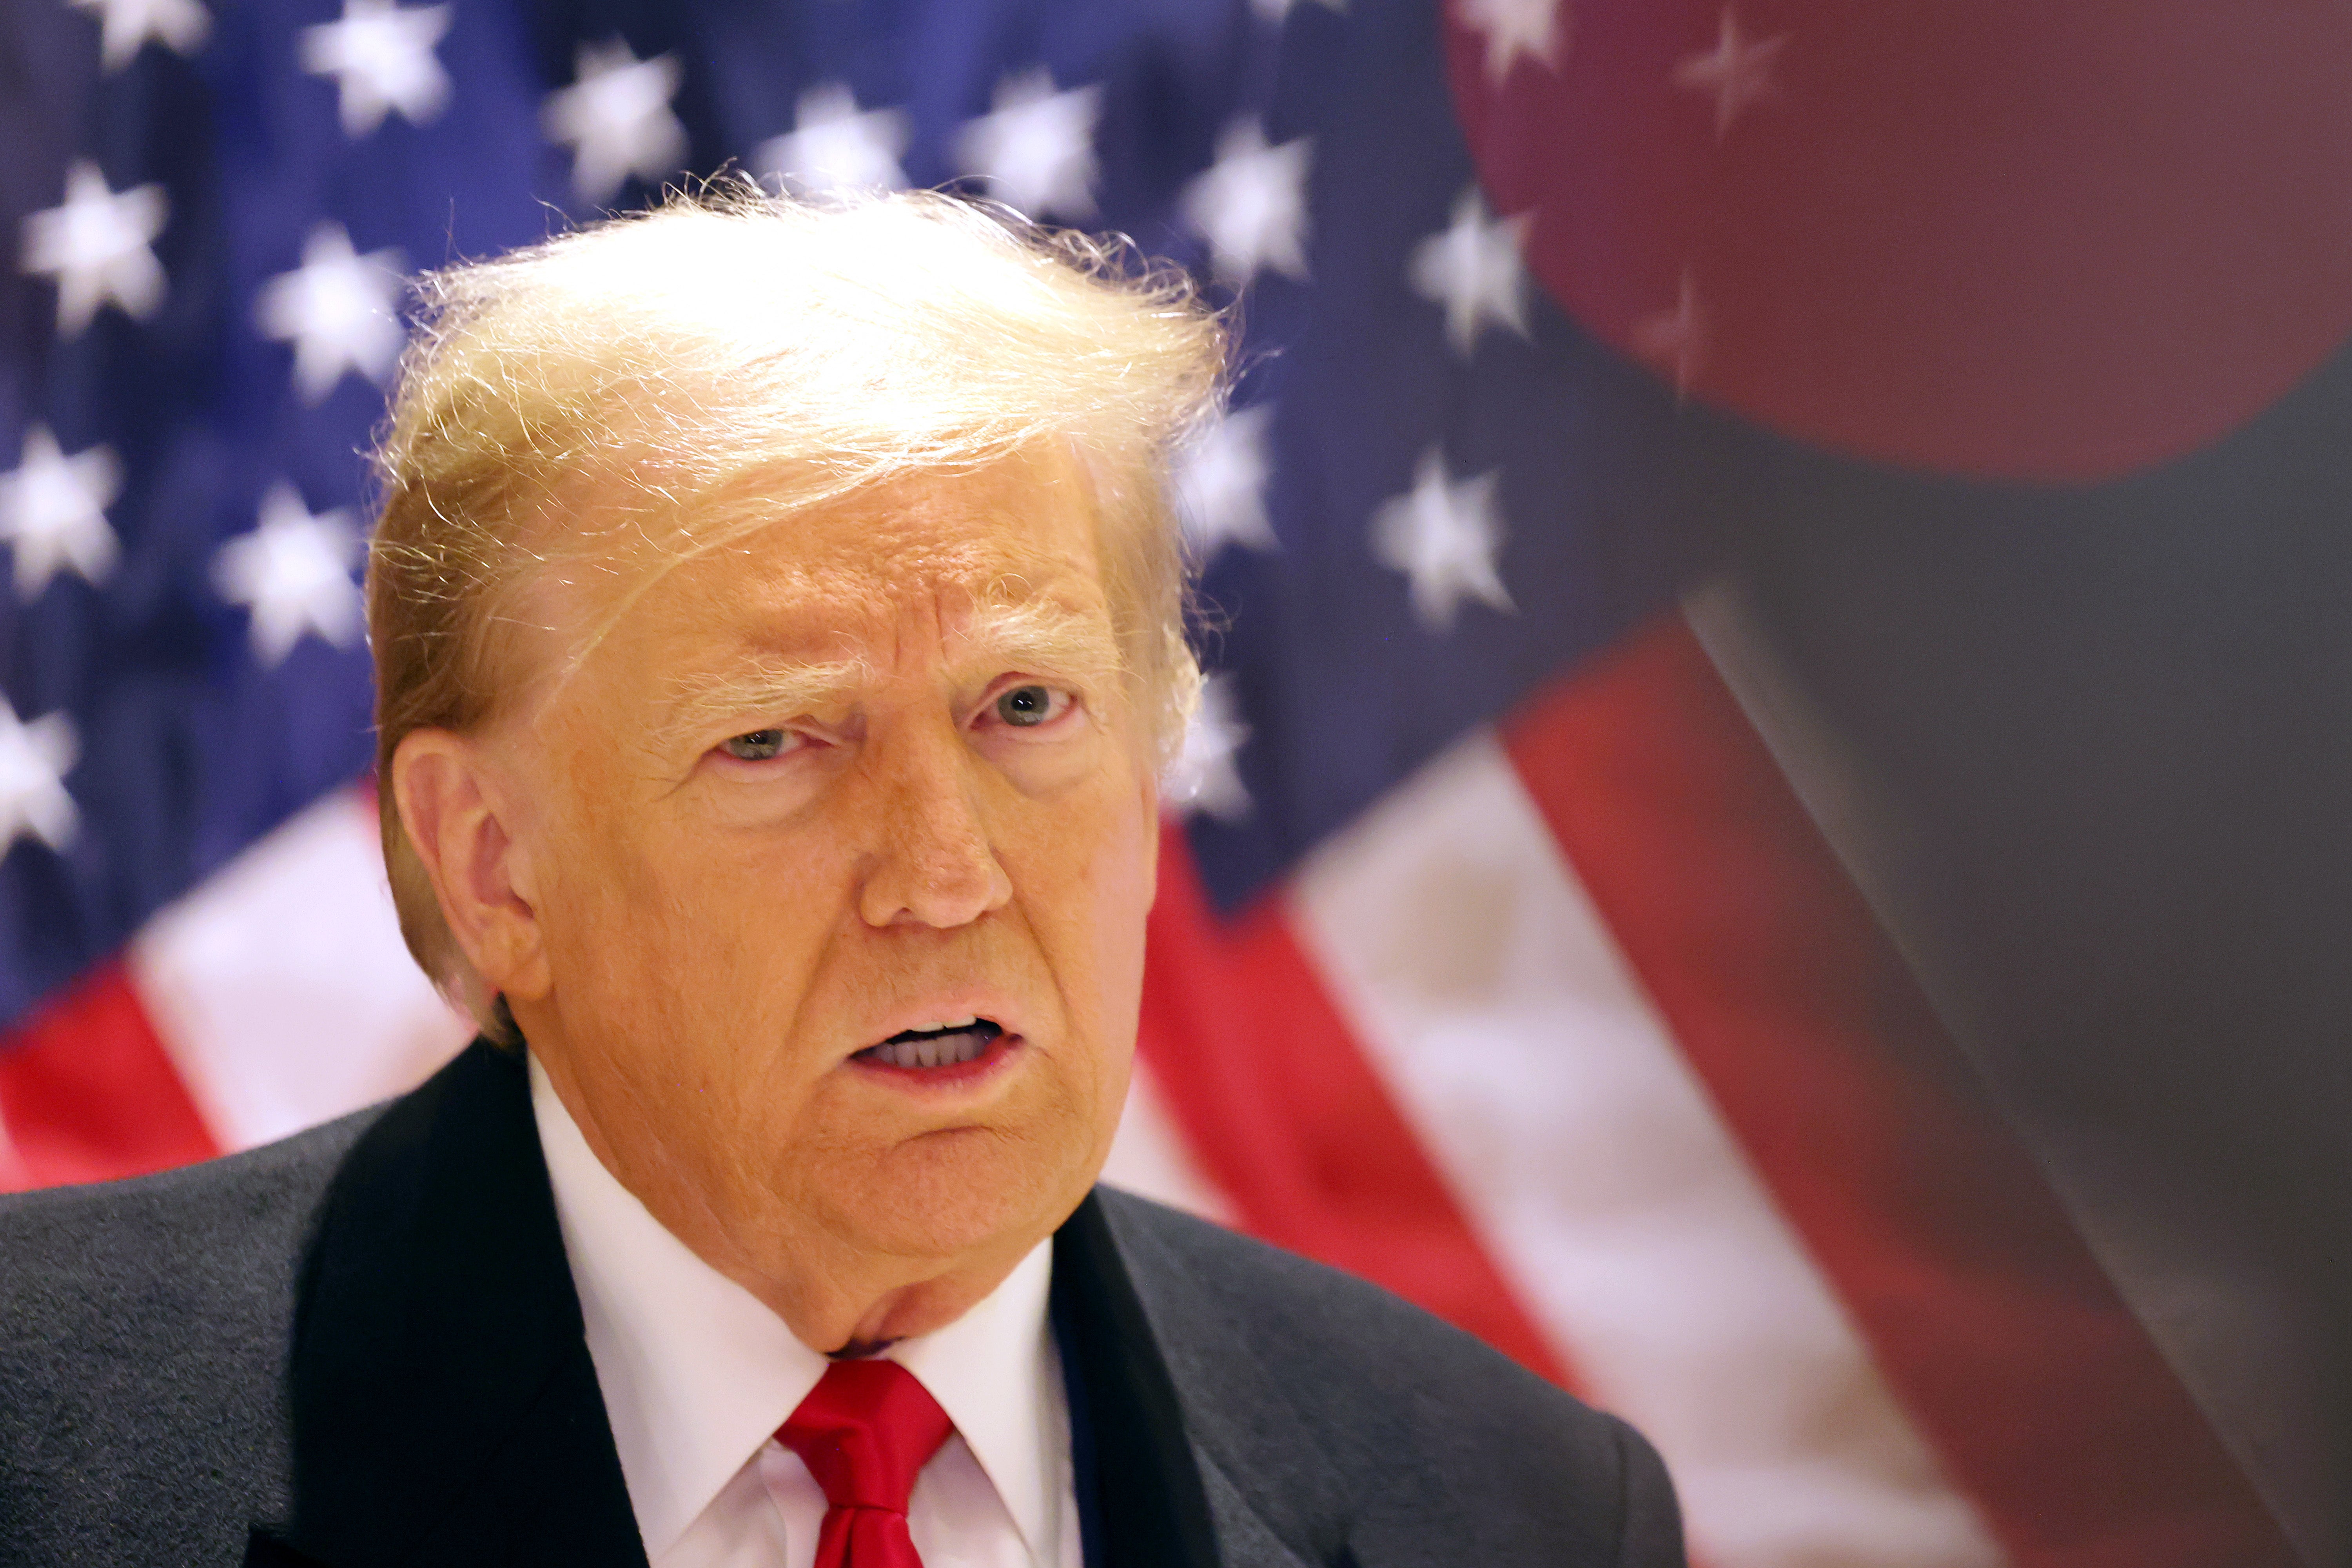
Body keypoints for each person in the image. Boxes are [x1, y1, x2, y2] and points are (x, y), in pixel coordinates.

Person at [0, 187, 1684, 1568]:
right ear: (495, 862)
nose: (944, 877)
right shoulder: (44, 1442)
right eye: (781, 741)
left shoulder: (1519, 1509)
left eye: (1026, 707)